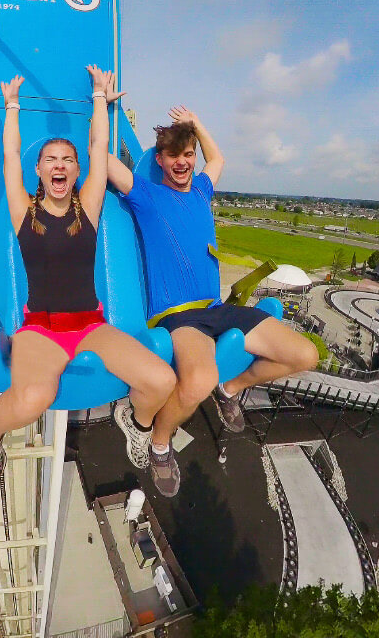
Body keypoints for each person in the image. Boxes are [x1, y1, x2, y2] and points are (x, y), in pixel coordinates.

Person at [105, 107, 319, 497]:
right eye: (175, 156)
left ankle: (231, 388)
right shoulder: (147, 195)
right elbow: (102, 161)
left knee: (304, 355)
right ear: (161, 161)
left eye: (189, 154)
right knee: (198, 379)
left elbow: (218, 159)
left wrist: (198, 124)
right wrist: (100, 104)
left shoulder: (202, 190)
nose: (183, 162)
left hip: (216, 307)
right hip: (179, 315)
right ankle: (159, 445)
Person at [0, 67, 177, 482]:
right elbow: (11, 156)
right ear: (39, 170)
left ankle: (135, 424)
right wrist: (12, 106)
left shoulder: (87, 209)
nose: (60, 165)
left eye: (68, 160)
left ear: (76, 171)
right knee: (34, 398)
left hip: (90, 325)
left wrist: (100, 99)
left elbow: (99, 144)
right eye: (50, 160)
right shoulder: (23, 213)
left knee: (161, 380)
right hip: (42, 329)